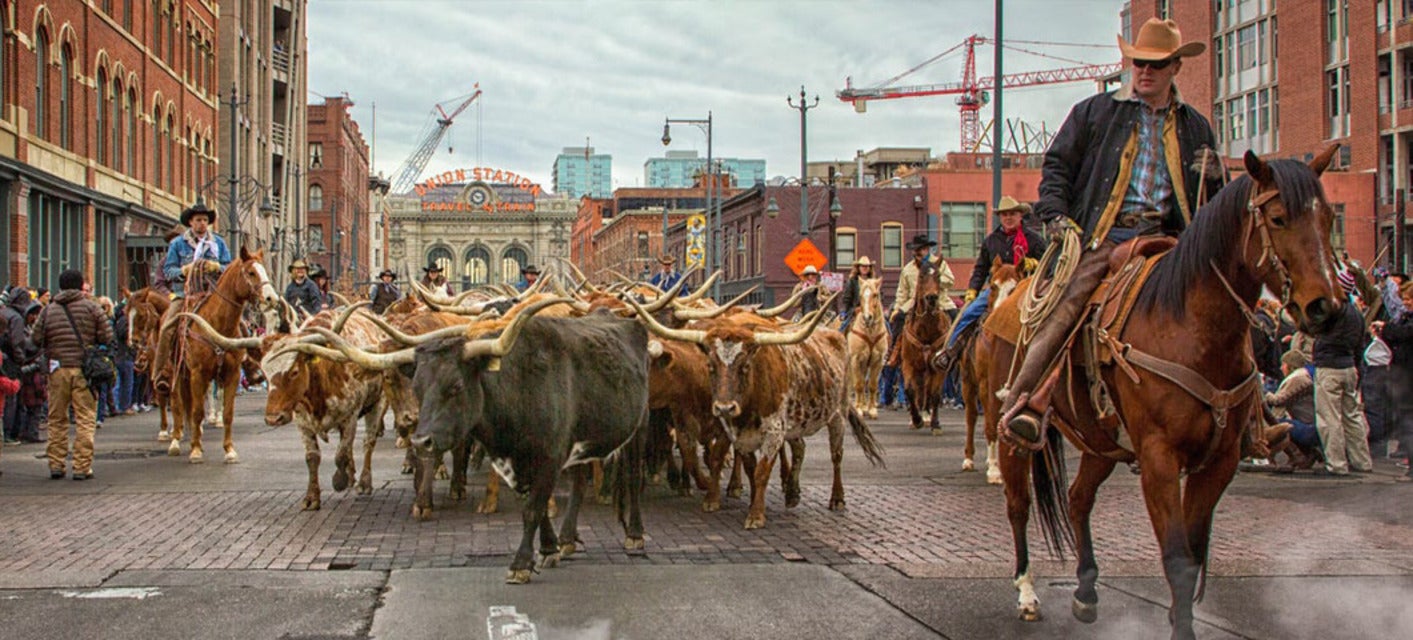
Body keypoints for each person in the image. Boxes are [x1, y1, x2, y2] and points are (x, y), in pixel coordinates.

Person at [998, 18, 1226, 444]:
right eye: (1139, 62)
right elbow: (1057, 168)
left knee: (1226, 300)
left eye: (1156, 65)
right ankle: (1026, 402)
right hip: (1105, 237)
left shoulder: (1196, 126)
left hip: (1174, 241)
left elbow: (1213, 203)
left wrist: (1218, 175)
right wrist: (1057, 217)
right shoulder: (1096, 112)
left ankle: (1251, 415)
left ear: (1176, 67)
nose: (1145, 71)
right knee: (1067, 307)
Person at [33, 269, 113, 481]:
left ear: (60, 286)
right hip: (83, 370)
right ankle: (81, 466)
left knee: (57, 418)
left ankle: (56, 464)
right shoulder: (92, 308)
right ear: (80, 286)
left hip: (57, 369)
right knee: (85, 418)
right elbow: (107, 335)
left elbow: (35, 338)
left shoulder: (48, 310)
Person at [946, 196, 1047, 356]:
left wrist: (1034, 264)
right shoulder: (991, 241)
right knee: (967, 315)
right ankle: (950, 353)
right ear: (1000, 217)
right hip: (996, 289)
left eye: (1012, 214)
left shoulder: (1034, 240)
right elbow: (981, 268)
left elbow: (1048, 265)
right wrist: (972, 290)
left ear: (1020, 215)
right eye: (1004, 214)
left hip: (1025, 291)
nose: (1008, 218)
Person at [1312, 300, 1375, 475]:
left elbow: (1312, 328)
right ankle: (1362, 461)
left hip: (1329, 367)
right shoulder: (1356, 315)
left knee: (1329, 417)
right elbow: (1360, 346)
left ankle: (1336, 464)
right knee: (1352, 416)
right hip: (1349, 367)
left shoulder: (1330, 312)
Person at [1374, 280, 1413, 481]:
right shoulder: (1405, 318)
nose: (1405, 303)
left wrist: (1387, 329)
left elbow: (1405, 335)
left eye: (1408, 299)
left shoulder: (1407, 322)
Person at [161, 201, 230, 299]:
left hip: (214, 295)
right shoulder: (177, 243)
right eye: (198, 220)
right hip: (184, 295)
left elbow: (229, 268)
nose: (202, 223)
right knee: (172, 313)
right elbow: (168, 272)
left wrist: (217, 267)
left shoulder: (219, 243)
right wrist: (184, 271)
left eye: (205, 220)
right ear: (190, 222)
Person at [1265, 350, 1321, 470]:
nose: (1281, 368)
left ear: (1290, 364)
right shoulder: (1305, 375)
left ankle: (1296, 455)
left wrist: (1264, 393)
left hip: (1310, 427)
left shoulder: (1297, 378)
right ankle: (1307, 453)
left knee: (1276, 425)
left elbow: (1278, 400)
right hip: (1313, 423)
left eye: (1283, 364)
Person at [1, 286, 38, 444]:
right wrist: (21, 359)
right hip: (11, 361)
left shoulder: (3, 312)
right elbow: (17, 342)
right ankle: (10, 433)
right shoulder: (16, 318)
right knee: (12, 397)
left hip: (3, 357)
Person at [838, 256, 876, 334]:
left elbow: (877, 297)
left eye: (867, 266)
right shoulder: (852, 281)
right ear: (858, 267)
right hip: (856, 310)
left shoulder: (873, 282)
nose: (865, 268)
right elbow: (846, 299)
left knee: (886, 324)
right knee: (843, 326)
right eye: (862, 266)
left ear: (870, 268)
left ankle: (892, 342)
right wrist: (844, 312)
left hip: (871, 309)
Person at [112, 300, 136, 416]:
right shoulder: (124, 321)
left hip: (123, 355)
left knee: (123, 383)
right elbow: (123, 334)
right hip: (124, 355)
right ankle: (122, 406)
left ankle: (120, 405)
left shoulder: (120, 321)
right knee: (125, 383)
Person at [149, 224, 186, 297]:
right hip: (174, 297)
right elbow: (159, 284)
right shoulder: (164, 261)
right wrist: (170, 295)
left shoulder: (194, 257)